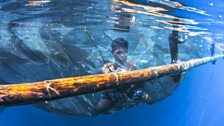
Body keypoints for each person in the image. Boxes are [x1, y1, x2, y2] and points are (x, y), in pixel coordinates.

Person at [95, 38, 152, 113]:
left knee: (150, 100)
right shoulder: (107, 67)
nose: (122, 55)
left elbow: (140, 82)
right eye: (119, 52)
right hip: (114, 93)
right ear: (112, 53)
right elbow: (103, 88)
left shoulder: (132, 65)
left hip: (131, 91)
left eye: (125, 52)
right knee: (98, 109)